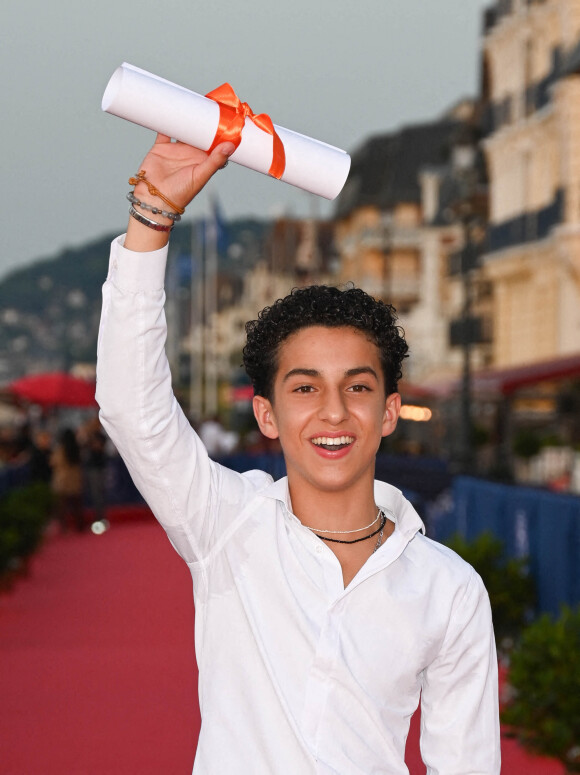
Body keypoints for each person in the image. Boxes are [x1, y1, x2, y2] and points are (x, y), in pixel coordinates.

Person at [96, 135, 500, 774]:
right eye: (305, 388)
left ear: (390, 411)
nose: (333, 412)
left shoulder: (449, 589)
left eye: (358, 388)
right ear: (268, 415)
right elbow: (129, 406)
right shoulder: (227, 523)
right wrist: (151, 213)